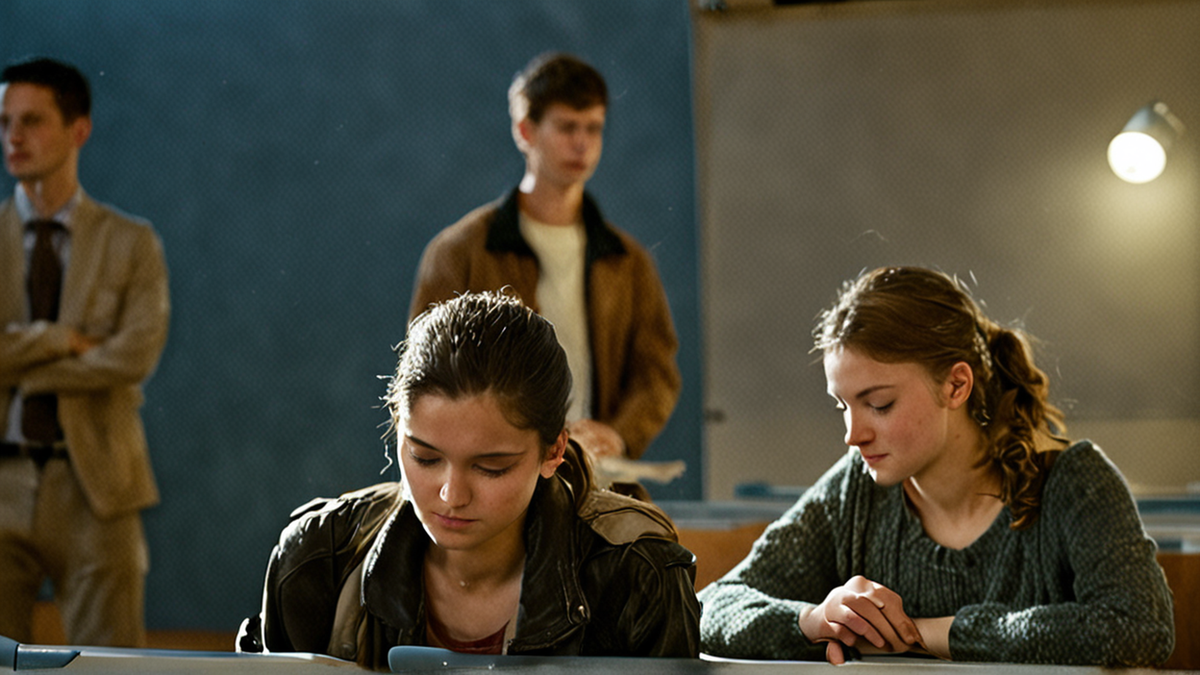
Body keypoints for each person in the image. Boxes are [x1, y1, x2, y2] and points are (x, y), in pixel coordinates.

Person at [698, 266, 1174, 666]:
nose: (853, 435)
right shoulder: (854, 490)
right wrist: (815, 621)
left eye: (879, 404)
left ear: (956, 385)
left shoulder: (1075, 482)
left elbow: (1140, 626)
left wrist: (924, 633)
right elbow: (709, 607)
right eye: (843, 406)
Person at [237, 291, 700, 669]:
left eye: (491, 467)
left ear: (553, 451)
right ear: (398, 429)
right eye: (424, 457)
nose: (451, 495)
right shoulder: (318, 560)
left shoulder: (636, 572)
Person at [408, 52, 680, 462]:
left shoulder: (628, 262)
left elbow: (656, 375)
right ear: (525, 131)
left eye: (593, 127)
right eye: (567, 127)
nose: (581, 143)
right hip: (491, 470)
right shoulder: (459, 252)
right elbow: (425, 374)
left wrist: (619, 435)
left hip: (593, 470)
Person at [0, 57, 169, 646]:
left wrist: (27, 373)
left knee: (109, 659)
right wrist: (61, 341)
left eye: (31, 121)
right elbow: (107, 356)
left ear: (79, 129)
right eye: (4, 122)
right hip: (3, 476)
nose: (13, 137)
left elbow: (134, 355)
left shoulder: (131, 242)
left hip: (97, 486)